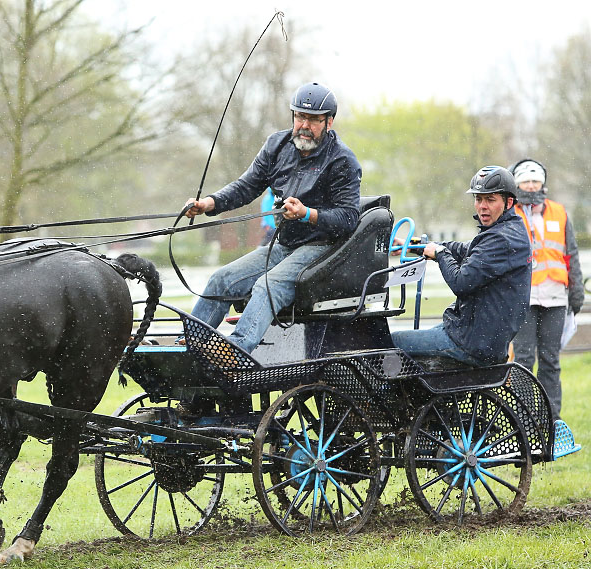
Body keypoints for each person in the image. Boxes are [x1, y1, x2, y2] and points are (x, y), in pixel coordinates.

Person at [183, 82, 362, 354]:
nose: (304, 125)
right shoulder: (277, 146)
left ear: (329, 122)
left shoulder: (342, 161)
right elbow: (247, 186)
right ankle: (191, 345)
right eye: (300, 116)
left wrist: (306, 214)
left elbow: (348, 218)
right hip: (285, 245)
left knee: (269, 284)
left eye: (314, 120)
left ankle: (235, 352)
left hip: (324, 250)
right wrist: (208, 203)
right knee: (222, 279)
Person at [392, 166, 532, 367]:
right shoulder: (504, 231)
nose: (482, 206)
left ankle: (377, 399)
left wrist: (440, 254)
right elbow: (462, 249)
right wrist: (411, 244)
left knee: (392, 342)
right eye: (478, 199)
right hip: (473, 334)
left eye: (490, 200)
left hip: (473, 343)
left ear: (508, 202)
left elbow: (461, 282)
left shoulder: (502, 238)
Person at [509, 158, 584, 421]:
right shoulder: (511, 215)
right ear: (516, 185)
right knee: (524, 361)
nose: (530, 186)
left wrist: (576, 292)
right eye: (525, 182)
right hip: (523, 299)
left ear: (543, 183)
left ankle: (552, 420)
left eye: (535, 180)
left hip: (555, 298)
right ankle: (523, 420)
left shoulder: (559, 212)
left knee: (551, 361)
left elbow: (570, 254)